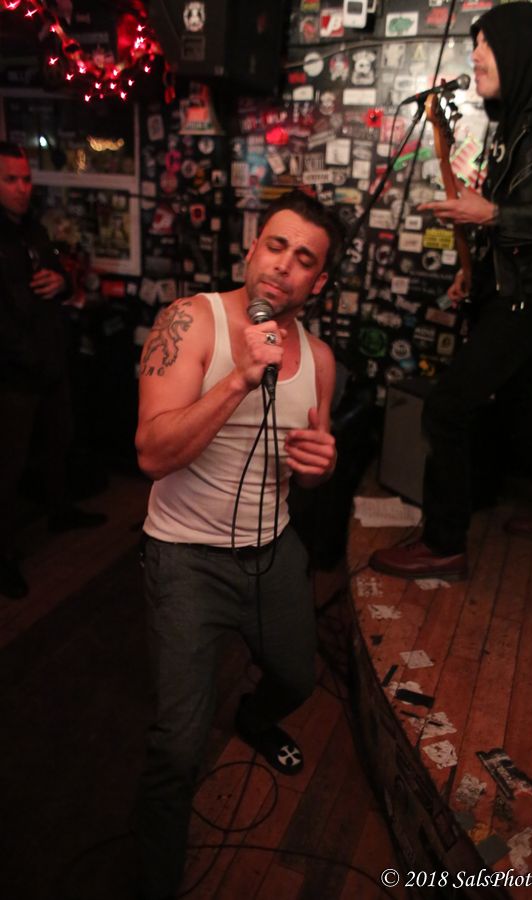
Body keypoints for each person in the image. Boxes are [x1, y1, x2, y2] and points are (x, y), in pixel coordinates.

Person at [133, 190, 341, 900]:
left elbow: (305, 467)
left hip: (271, 549)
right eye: (276, 246)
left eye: (304, 259)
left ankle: (254, 716)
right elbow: (152, 454)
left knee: (298, 679)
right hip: (184, 557)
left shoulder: (319, 360)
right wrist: (242, 376)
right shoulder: (192, 320)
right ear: (252, 249)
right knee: (178, 747)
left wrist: (320, 466)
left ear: (318, 282)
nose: (284, 265)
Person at [370, 2, 532, 581]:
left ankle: (444, 544)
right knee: (521, 410)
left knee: (448, 407)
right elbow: (515, 210)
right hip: (511, 283)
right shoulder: (517, 115)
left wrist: (494, 214)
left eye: (484, 44)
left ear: (517, 46)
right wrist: (474, 268)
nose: (473, 56)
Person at [0, 143, 107, 601]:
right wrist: (25, 355)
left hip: (48, 360)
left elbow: (55, 280)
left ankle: (60, 510)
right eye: (11, 179)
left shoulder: (33, 228)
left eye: (26, 178)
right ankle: (3, 557)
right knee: (7, 468)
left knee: (59, 441)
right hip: (13, 372)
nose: (22, 187)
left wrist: (61, 281)